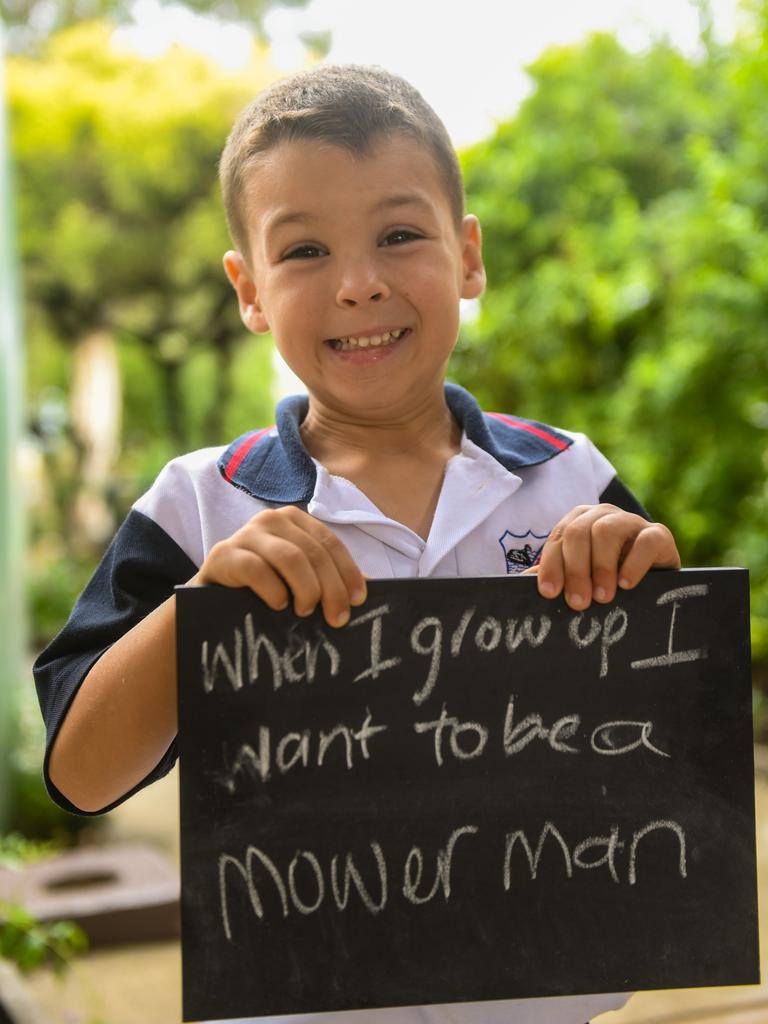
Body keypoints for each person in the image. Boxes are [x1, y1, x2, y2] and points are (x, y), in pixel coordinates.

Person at [34, 64, 681, 1024]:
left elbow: (671, 742)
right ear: (248, 289)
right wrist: (197, 615)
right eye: (304, 251)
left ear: (468, 257)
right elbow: (83, 778)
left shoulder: (569, 478)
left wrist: (642, 589)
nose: (360, 284)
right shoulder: (198, 508)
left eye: (399, 234)